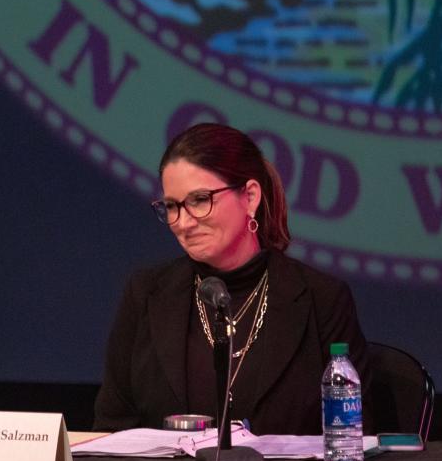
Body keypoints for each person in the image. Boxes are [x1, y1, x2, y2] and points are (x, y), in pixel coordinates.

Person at [93, 122, 369, 435]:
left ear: (250, 197)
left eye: (199, 200)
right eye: (171, 206)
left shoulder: (322, 299)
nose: (183, 222)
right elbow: (112, 430)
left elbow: (353, 436)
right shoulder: (145, 294)